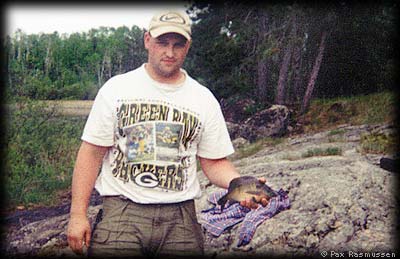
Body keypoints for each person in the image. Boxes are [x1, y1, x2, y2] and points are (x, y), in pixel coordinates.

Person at [67, 10, 268, 258]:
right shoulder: (116, 89)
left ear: (188, 46)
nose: (170, 53)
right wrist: (77, 215)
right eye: (162, 43)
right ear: (147, 41)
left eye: (178, 45)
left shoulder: (203, 98)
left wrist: (242, 185)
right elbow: (91, 154)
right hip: (122, 214)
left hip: (180, 219)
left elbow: (214, 162)